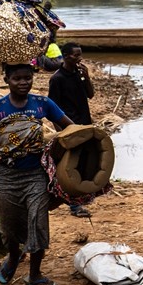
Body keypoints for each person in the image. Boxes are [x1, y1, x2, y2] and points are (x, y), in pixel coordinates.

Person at [0, 63, 73, 285]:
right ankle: (14, 258)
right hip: (6, 177)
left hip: (36, 175)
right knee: (10, 227)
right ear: (6, 79)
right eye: (17, 78)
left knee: (38, 222)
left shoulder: (42, 104)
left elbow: (69, 128)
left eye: (28, 78)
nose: (23, 82)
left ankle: (35, 274)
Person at [48, 42, 95, 218]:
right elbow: (52, 109)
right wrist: (61, 134)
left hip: (84, 124)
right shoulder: (57, 79)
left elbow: (90, 95)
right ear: (66, 56)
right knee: (72, 167)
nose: (79, 58)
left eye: (80, 54)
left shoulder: (79, 74)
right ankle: (75, 206)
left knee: (83, 164)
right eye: (76, 55)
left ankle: (78, 201)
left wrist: (87, 77)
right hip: (69, 128)